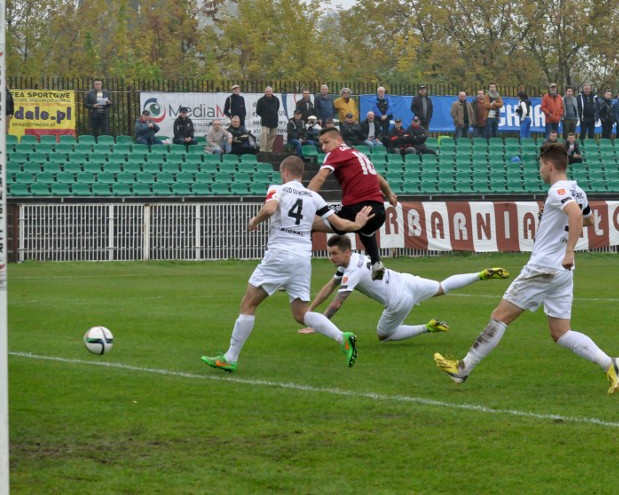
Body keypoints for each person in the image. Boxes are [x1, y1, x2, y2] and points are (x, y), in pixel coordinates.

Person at [433, 142, 619, 394]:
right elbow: (588, 218)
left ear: (549, 165)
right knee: (560, 332)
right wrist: (554, 220)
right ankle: (609, 364)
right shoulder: (577, 191)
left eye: (540, 166)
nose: (539, 171)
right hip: (563, 272)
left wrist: (569, 249)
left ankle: (463, 369)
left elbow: (577, 217)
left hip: (544, 267)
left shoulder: (557, 190)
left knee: (499, 317)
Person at [200, 156, 374, 373]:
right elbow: (338, 225)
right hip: (302, 259)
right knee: (301, 314)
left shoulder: (278, 189)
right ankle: (342, 337)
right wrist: (357, 224)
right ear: (302, 175)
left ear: (284, 172)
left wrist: (255, 220)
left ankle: (230, 357)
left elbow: (271, 209)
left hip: (280, 254)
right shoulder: (313, 196)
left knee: (248, 304)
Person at [298, 234, 510, 339]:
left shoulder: (352, 270)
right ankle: (481, 274)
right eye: (329, 253)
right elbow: (329, 286)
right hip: (404, 279)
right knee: (442, 287)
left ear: (346, 252)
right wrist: (310, 313)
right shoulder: (356, 259)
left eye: (334, 253)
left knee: (383, 336)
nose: (330, 257)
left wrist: (317, 324)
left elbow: (336, 303)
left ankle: (428, 327)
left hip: (398, 299)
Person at [309, 127, 399, 281]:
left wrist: (302, 198)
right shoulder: (358, 154)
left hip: (355, 209)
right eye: (321, 144)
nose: (323, 147)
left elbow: (320, 178)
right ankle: (376, 262)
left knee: (308, 223)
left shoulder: (336, 153)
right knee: (366, 228)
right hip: (378, 211)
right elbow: (379, 179)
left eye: (326, 142)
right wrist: (390, 195)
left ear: (338, 140)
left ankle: (296, 268)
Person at [256, 86, 281, 152]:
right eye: (267, 91)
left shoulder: (276, 99)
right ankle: (262, 150)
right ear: (265, 92)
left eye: (269, 91)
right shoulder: (261, 100)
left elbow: (277, 108)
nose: (268, 93)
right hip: (265, 121)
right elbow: (258, 111)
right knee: (264, 134)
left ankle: (268, 149)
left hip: (274, 120)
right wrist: (264, 116)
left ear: (272, 92)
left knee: (273, 135)